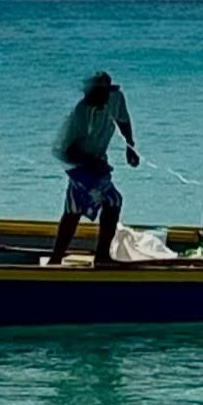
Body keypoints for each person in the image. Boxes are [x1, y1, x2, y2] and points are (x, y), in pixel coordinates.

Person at [48, 71, 140, 265]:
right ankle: (95, 257)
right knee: (107, 201)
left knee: (81, 207)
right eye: (96, 95)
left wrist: (130, 147)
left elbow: (123, 120)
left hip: (97, 162)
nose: (102, 98)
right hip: (77, 165)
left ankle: (66, 257)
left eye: (103, 93)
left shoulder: (116, 99)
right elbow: (62, 151)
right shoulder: (78, 115)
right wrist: (90, 162)